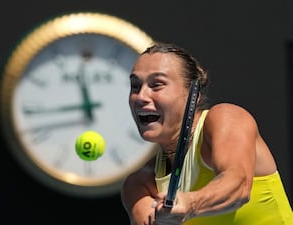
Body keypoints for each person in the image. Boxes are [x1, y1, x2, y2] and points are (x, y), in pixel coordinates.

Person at [121, 42, 293, 225]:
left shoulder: (226, 118)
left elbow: (238, 187)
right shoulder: (139, 184)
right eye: (135, 86)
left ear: (192, 95)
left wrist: (190, 204)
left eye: (157, 85)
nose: (141, 97)